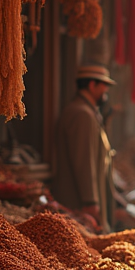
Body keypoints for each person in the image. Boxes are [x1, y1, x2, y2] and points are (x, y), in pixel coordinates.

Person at [52, 64, 116, 233]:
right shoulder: (81, 114)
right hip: (78, 202)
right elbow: (84, 161)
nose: (106, 91)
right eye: (104, 86)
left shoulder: (87, 112)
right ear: (91, 85)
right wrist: (90, 202)